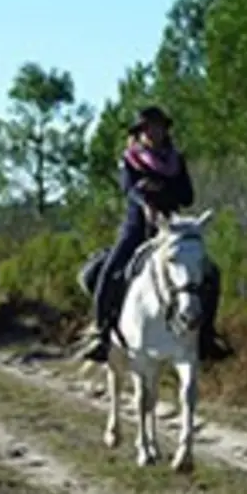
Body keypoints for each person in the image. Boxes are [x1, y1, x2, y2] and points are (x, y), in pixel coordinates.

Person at [80, 105, 227, 364]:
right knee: (109, 270)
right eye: (148, 128)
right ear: (140, 132)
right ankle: (101, 332)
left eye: (158, 127)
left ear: (164, 130)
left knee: (211, 273)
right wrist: (144, 198)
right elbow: (128, 189)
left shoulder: (176, 161)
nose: (153, 132)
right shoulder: (130, 158)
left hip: (171, 229)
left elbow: (187, 196)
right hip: (137, 227)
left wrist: (163, 189)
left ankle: (206, 335)